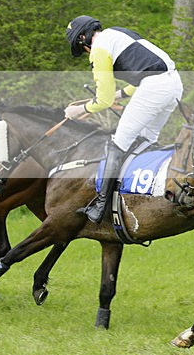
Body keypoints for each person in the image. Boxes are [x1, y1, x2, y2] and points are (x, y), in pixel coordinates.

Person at [64, 15, 183, 223]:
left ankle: (100, 207)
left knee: (117, 145)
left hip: (154, 88)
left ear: (83, 37)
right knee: (146, 140)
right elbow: (147, 70)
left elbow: (103, 99)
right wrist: (119, 96)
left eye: (81, 47)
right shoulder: (118, 33)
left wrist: (79, 110)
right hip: (173, 85)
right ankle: (149, 192)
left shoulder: (99, 49)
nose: (86, 53)